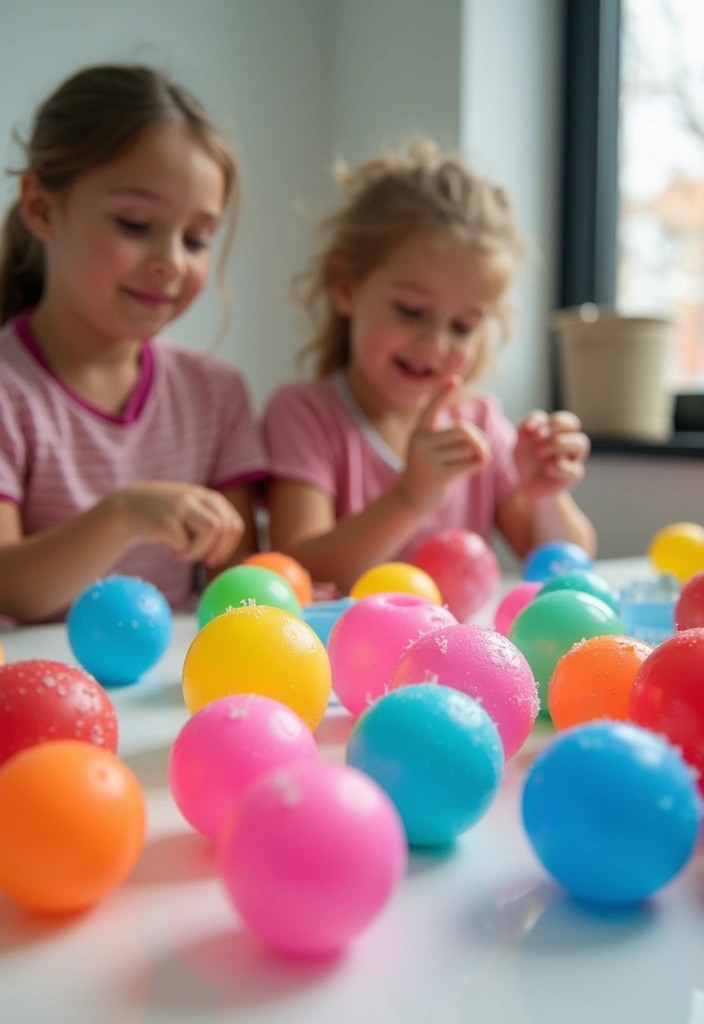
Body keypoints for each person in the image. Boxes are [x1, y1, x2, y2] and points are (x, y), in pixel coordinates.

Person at [263, 141, 596, 594]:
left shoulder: (479, 426)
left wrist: (546, 496)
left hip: (458, 664)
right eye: (411, 310)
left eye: (462, 326)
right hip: (346, 663)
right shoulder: (305, 415)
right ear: (345, 288)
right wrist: (409, 499)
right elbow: (296, 573)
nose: (435, 343)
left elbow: (567, 569)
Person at [0, 64, 267, 623]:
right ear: (42, 209)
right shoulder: (10, 390)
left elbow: (235, 587)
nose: (171, 261)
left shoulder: (215, 394)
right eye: (135, 223)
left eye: (196, 239)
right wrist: (123, 515)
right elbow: (10, 588)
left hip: (166, 703)